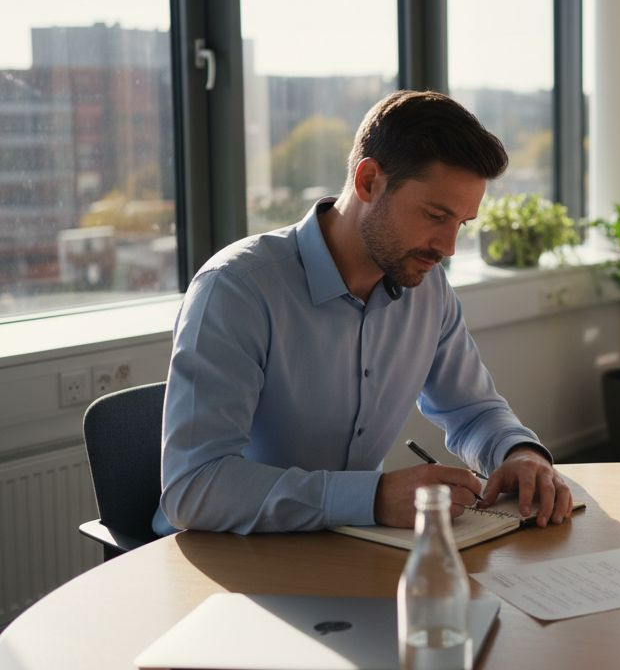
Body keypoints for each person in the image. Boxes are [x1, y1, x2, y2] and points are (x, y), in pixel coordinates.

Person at [155, 90, 572, 537]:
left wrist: (519, 453)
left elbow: (472, 411)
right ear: (369, 181)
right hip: (234, 565)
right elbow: (194, 487)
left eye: (461, 224)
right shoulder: (237, 289)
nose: (448, 248)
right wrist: (371, 497)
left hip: (351, 549)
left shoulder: (427, 286)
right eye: (435, 215)